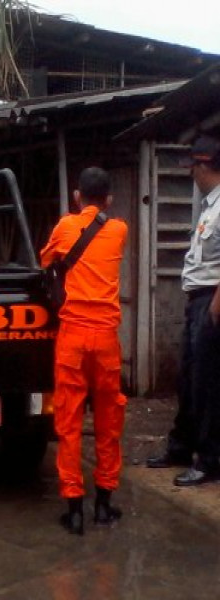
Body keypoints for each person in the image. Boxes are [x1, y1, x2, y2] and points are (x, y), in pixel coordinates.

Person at [40, 167, 128, 535]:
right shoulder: (120, 230)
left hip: (73, 337)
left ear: (77, 196)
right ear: (108, 199)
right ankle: (104, 506)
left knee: (69, 422)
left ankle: (74, 509)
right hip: (106, 338)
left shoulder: (65, 227)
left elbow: (46, 261)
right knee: (108, 421)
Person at [146, 135, 220, 486]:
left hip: (213, 300)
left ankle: (208, 459)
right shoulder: (209, 206)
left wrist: (216, 306)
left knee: (207, 385)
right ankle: (181, 447)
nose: (190, 173)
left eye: (192, 167)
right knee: (188, 379)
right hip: (197, 300)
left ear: (204, 166)